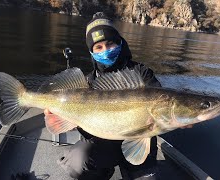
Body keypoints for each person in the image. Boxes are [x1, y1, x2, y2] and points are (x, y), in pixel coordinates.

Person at [44, 12, 192, 180]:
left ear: (120, 42)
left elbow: (160, 103)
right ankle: (103, 170)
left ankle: (134, 169)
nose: (105, 50)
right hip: (104, 145)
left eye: (110, 43)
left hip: (139, 142)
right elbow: (86, 130)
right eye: (98, 47)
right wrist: (64, 119)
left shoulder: (141, 73)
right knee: (79, 163)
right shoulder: (88, 82)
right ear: (91, 52)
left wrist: (181, 119)